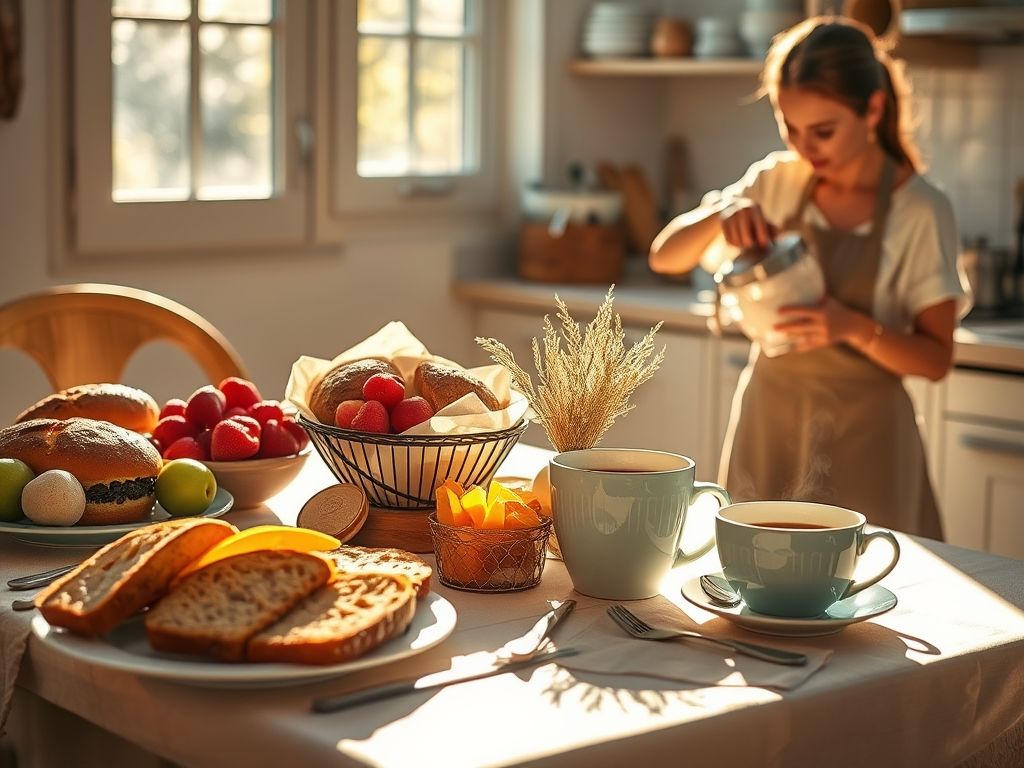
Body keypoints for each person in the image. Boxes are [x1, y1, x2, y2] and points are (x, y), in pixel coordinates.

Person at [648, 17, 969, 538]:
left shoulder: (921, 210)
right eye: (789, 128)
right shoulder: (777, 180)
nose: (804, 148)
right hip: (769, 420)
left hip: (870, 439)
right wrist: (724, 210)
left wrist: (853, 327)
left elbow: (935, 360)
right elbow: (665, 257)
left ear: (873, 109)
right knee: (755, 582)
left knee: (869, 597)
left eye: (822, 131)